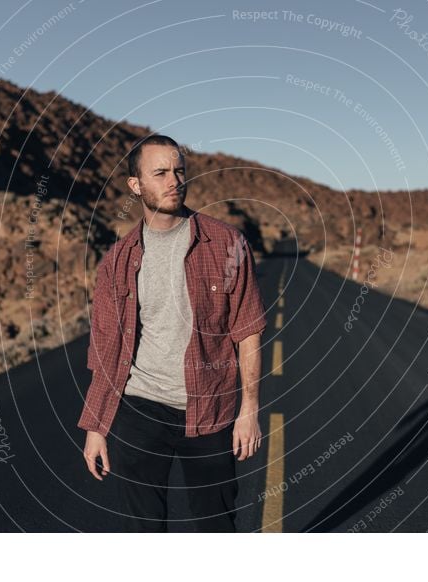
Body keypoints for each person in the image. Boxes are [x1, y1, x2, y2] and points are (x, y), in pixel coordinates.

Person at [78, 134, 268, 532]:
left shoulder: (226, 243)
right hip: (140, 409)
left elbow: (247, 331)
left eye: (179, 170)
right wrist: (97, 428)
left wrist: (249, 410)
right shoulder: (116, 262)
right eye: (160, 172)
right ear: (136, 185)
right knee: (144, 531)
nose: (173, 181)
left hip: (209, 410)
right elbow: (106, 351)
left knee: (215, 526)